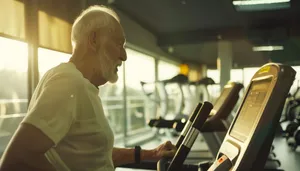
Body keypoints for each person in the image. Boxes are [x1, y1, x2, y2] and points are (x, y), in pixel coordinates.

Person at [0, 5, 176, 171]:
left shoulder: (78, 84)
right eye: (118, 44)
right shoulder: (68, 82)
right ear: (94, 40)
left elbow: (95, 154)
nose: (123, 56)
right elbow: (17, 158)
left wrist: (152, 154)